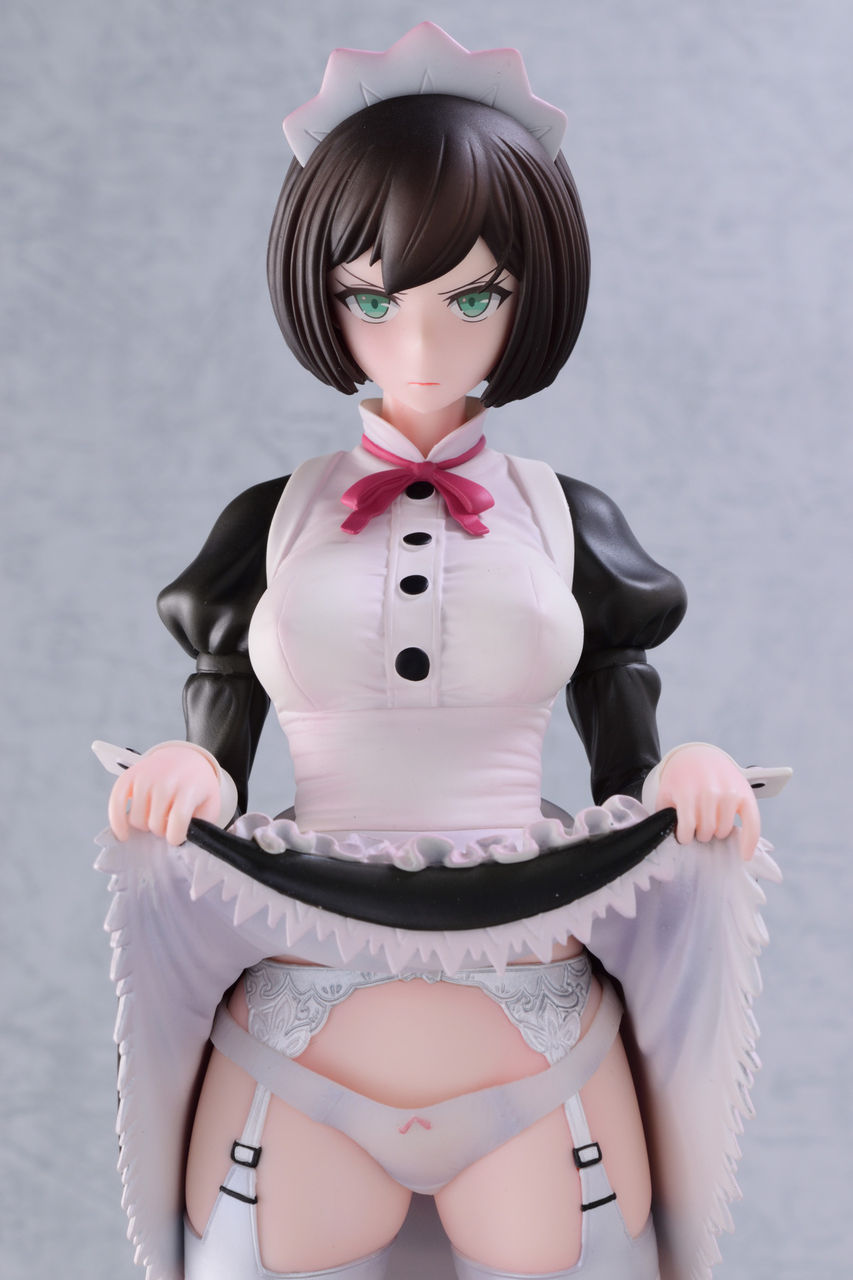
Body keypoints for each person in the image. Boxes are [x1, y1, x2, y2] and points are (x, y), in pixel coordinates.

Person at [99, 25, 775, 1280]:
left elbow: (626, 754)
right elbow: (221, 740)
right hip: (296, 1023)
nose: (418, 347)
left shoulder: (563, 518)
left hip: (537, 1021)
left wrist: (681, 774)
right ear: (324, 297)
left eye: (472, 296)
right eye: (373, 299)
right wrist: (193, 773)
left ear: (531, 292)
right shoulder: (273, 521)